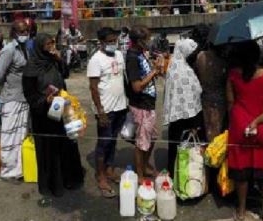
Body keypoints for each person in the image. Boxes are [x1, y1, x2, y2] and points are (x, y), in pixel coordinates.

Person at [23, 33, 84, 202]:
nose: (51, 47)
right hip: (43, 116)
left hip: (61, 110)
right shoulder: (31, 67)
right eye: (48, 44)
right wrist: (45, 100)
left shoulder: (53, 61)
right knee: (49, 151)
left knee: (66, 144)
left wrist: (59, 60)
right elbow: (29, 95)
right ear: (40, 46)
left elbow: (65, 74)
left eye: (52, 43)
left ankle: (69, 179)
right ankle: (52, 185)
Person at [227, 40, 263, 221]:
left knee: (241, 172)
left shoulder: (233, 75)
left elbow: (230, 103)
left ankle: (241, 211)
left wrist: (240, 120)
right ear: (259, 55)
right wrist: (257, 121)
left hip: (240, 126)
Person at [87, 27, 128, 198]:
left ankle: (110, 169)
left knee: (112, 140)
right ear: (102, 43)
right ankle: (101, 175)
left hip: (120, 106)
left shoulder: (118, 55)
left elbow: (122, 79)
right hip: (106, 109)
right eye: (109, 41)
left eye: (114, 40)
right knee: (103, 142)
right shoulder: (96, 60)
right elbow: (93, 87)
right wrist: (101, 111)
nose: (113, 44)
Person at [125, 25, 163, 182]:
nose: (148, 42)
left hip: (149, 103)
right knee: (141, 143)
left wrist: (155, 69)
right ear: (138, 41)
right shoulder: (132, 57)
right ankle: (140, 173)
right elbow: (137, 86)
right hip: (141, 105)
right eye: (146, 39)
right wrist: (154, 72)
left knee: (152, 137)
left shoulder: (141, 53)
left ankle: (146, 164)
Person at [0, 21, 31, 180]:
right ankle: (8, 171)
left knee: (21, 134)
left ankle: (19, 169)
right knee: (9, 135)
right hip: (11, 98)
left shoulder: (24, 49)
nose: (25, 34)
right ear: (14, 33)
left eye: (26, 31)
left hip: (23, 97)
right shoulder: (8, 51)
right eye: (21, 31)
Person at [163, 38, 204, 176]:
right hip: (188, 116)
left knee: (177, 145)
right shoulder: (183, 70)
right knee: (185, 145)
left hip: (177, 113)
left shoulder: (174, 66)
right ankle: (184, 176)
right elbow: (192, 93)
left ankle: (175, 173)